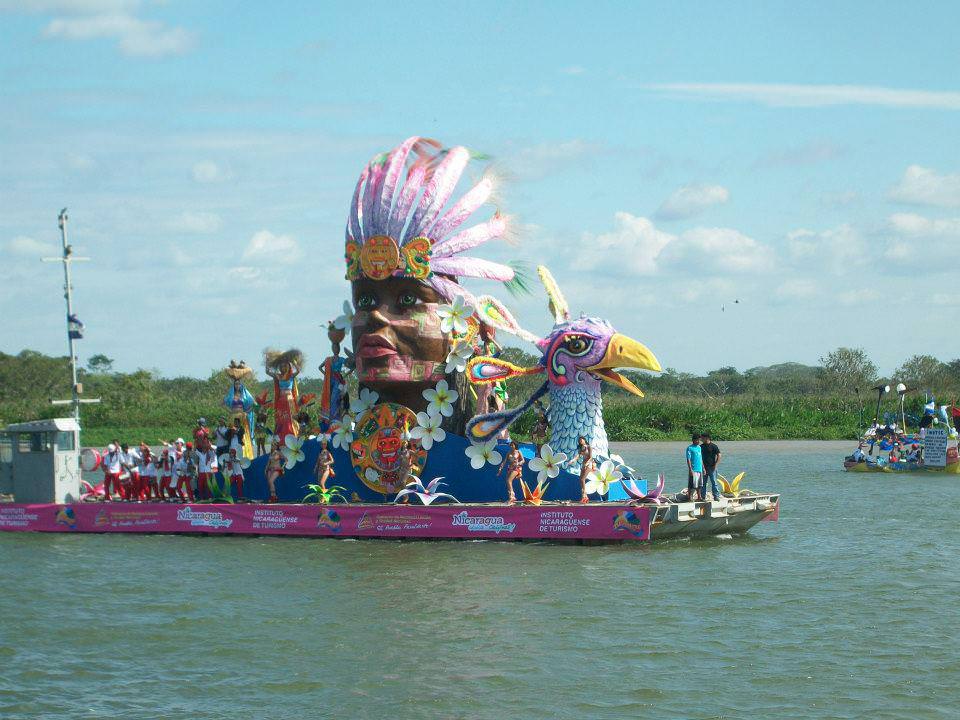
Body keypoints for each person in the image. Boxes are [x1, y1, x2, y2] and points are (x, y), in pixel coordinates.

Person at [699, 432, 722, 502]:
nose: (701, 439)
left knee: (714, 482)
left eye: (702, 438)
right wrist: (702, 467)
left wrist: (716, 465)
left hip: (712, 468)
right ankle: (703, 497)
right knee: (703, 483)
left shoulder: (713, 446)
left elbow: (719, 455)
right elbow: (700, 457)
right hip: (704, 468)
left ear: (707, 438)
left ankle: (716, 496)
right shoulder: (701, 447)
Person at [572, 436, 594, 503]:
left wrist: (587, 463)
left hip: (588, 464)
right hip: (583, 464)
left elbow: (590, 457)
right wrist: (573, 460)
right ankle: (584, 497)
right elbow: (578, 456)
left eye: (581, 440)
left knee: (582, 479)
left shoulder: (588, 447)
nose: (580, 441)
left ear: (584, 440)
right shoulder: (581, 448)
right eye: (579, 441)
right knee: (581, 480)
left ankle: (584, 494)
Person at [686, 434, 704, 501]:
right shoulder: (690, 448)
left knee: (699, 484)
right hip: (693, 469)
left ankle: (699, 497)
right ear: (693, 440)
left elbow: (701, 458)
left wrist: (703, 468)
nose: (698, 441)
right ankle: (689, 497)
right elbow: (688, 459)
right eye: (697, 440)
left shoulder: (699, 447)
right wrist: (690, 469)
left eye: (699, 440)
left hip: (699, 469)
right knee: (691, 484)